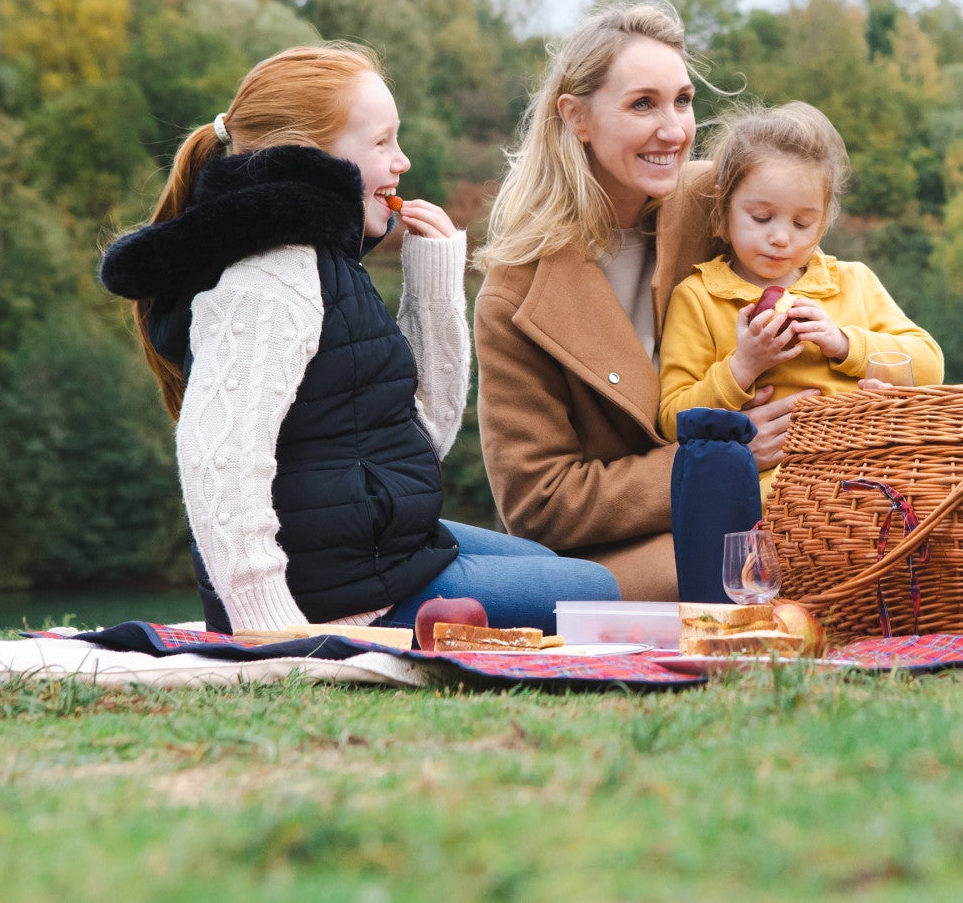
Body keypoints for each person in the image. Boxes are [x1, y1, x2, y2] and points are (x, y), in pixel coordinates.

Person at [100, 44, 617, 636]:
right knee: (595, 592)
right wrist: (271, 628)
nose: (402, 160)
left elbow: (423, 437)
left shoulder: (329, 266)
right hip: (337, 598)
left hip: (380, 557)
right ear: (310, 154)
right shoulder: (270, 279)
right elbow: (217, 460)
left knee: (556, 570)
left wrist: (433, 279)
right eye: (381, 143)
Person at [472, 1, 812, 600]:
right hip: (624, 558)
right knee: (765, 572)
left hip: (784, 500)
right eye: (642, 104)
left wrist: (867, 369)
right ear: (576, 117)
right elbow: (539, 503)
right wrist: (714, 464)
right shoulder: (517, 293)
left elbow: (832, 287)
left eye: (682, 101)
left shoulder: (728, 204)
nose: (674, 129)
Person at [655, 102, 944, 590]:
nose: (780, 239)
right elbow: (672, 418)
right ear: (724, 211)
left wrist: (844, 343)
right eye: (762, 217)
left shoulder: (851, 283)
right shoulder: (700, 297)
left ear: (824, 222)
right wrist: (742, 367)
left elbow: (928, 364)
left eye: (802, 224)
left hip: (871, 475)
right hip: (776, 498)